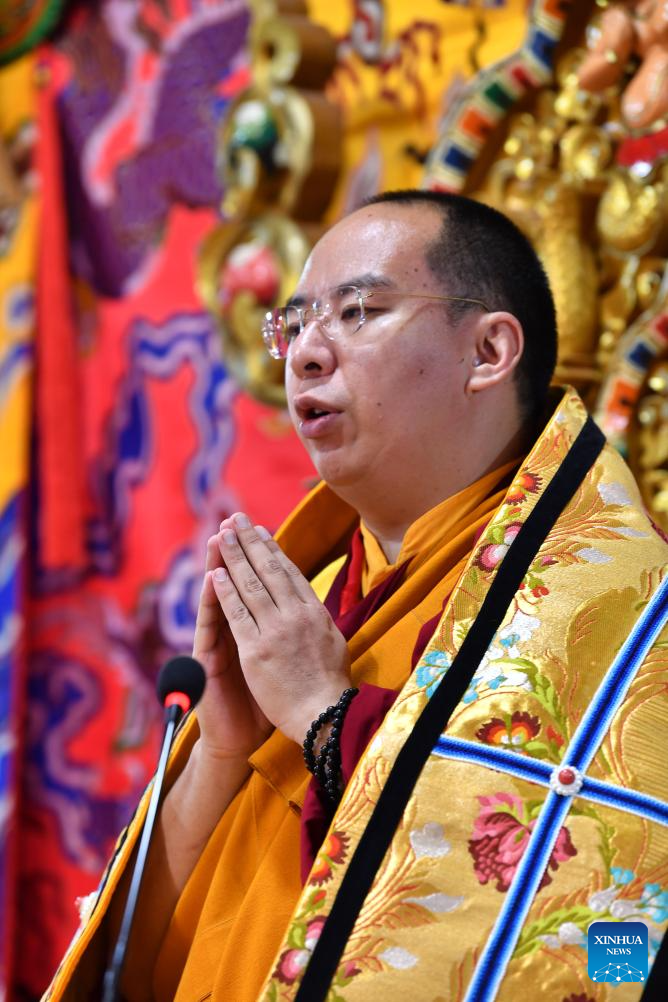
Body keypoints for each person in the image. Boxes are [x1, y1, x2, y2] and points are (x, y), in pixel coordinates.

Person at [45, 191, 668, 1002]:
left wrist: (326, 718)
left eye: (357, 312)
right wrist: (225, 749)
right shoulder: (306, 607)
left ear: (487, 351)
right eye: (296, 324)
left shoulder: (626, 621)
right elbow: (137, 956)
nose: (306, 353)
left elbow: (615, 951)